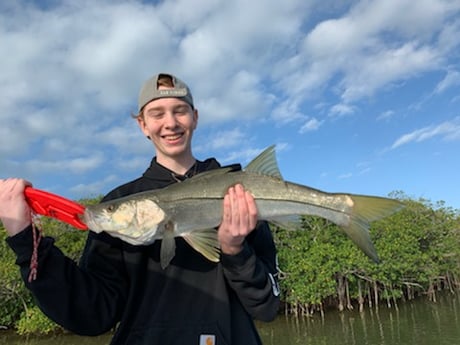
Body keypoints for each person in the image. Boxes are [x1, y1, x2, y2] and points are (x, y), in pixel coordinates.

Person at [0, 73, 280, 345]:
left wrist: (235, 250)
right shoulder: (121, 198)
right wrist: (25, 238)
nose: (170, 123)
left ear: (195, 117)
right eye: (157, 113)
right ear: (142, 125)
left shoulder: (238, 195)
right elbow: (92, 314)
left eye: (179, 111)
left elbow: (267, 307)